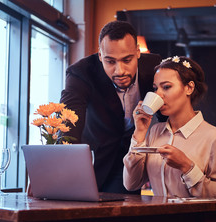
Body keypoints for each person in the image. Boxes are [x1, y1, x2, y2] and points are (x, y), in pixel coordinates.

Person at [123, 56, 216, 222]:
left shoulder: (214, 137)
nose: (158, 94)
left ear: (189, 88)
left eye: (166, 87)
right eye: (155, 88)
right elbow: (130, 183)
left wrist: (187, 168)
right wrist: (140, 133)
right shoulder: (153, 132)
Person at [60, 20, 163, 194]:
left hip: (133, 158)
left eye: (127, 60)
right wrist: (55, 168)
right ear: (100, 55)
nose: (119, 71)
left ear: (138, 52)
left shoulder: (154, 67)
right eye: (110, 61)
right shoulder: (81, 73)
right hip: (96, 157)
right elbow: (68, 122)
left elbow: (169, 112)